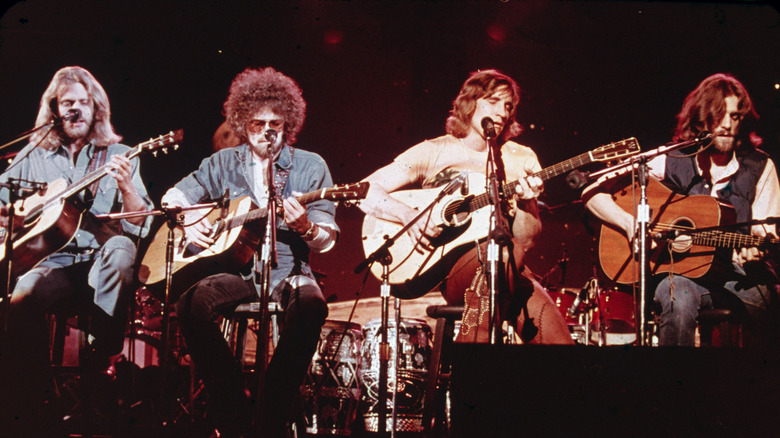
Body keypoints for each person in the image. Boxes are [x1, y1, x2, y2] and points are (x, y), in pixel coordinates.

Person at [162, 67, 338, 437]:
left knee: (311, 307)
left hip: (288, 268)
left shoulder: (310, 165)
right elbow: (174, 197)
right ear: (243, 122)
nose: (267, 131)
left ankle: (270, 410)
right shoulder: (222, 162)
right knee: (190, 305)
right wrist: (190, 220)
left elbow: (328, 238)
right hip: (235, 270)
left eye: (275, 123)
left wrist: (306, 226)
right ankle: (233, 407)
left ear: (288, 123)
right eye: (257, 123)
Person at [359, 69, 574, 344]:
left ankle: (473, 350)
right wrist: (409, 216)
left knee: (562, 347)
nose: (502, 112)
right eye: (493, 101)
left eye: (508, 106)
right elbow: (364, 190)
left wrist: (525, 201)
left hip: (508, 265)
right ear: (470, 102)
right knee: (502, 253)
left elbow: (526, 240)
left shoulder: (520, 157)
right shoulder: (435, 150)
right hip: (456, 270)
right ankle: (472, 353)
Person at [0, 66, 154, 433]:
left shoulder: (118, 153)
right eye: (68, 102)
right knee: (20, 296)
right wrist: (8, 215)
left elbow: (141, 223)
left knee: (120, 246)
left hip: (102, 259)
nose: (77, 109)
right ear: (54, 108)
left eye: (84, 102)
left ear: (96, 109)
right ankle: (39, 399)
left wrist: (127, 186)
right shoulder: (34, 152)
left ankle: (103, 356)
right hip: (52, 262)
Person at [584, 73, 780, 346]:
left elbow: (764, 232)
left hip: (739, 275)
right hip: (684, 276)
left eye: (734, 117)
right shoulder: (671, 157)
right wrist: (632, 225)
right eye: (718, 115)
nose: (726, 125)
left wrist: (756, 247)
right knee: (677, 296)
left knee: (771, 315)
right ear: (701, 118)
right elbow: (592, 192)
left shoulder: (760, 167)